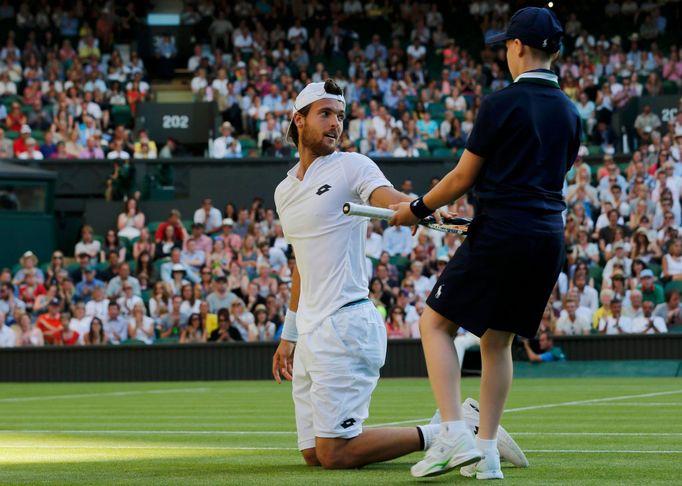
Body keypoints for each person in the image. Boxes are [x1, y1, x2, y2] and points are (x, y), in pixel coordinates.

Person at [271, 79, 526, 471]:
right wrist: (289, 335)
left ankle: (450, 430)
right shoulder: (284, 192)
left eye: (340, 116)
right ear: (298, 120)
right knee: (314, 454)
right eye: (325, 114)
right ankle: (454, 427)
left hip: (345, 326)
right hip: (309, 333)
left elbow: (388, 198)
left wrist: (418, 206)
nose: (335, 123)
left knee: (336, 453)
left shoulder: (351, 165)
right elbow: (300, 264)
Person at [389, 7, 578, 479]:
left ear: (517, 48)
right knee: (499, 342)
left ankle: (452, 434)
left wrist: (414, 209)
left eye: (506, 47)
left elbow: (461, 176)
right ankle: (487, 452)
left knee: (435, 325)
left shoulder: (500, 103)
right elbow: (538, 184)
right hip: (547, 237)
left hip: (503, 233)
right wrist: (482, 215)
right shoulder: (572, 112)